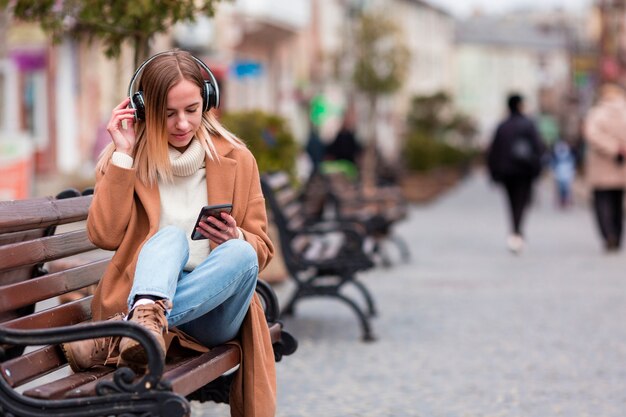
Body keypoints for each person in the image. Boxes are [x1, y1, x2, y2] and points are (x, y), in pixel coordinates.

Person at [61, 50, 276, 415]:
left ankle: (125, 332)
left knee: (240, 254)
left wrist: (235, 237)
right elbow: (104, 235)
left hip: (213, 314)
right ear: (143, 109)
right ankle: (146, 321)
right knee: (170, 238)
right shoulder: (126, 160)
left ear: (208, 102)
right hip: (148, 296)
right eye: (168, 113)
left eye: (191, 110)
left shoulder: (237, 159)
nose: (181, 124)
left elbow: (262, 249)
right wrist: (123, 156)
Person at [487, 93, 545, 254]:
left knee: (512, 202)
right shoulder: (528, 124)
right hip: (524, 171)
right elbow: (538, 147)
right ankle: (517, 232)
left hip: (506, 172)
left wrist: (493, 173)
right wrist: (538, 168)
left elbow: (493, 152)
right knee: (522, 201)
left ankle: (515, 231)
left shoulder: (502, 126)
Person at [583, 83, 626, 252]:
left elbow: (592, 134)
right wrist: (620, 148)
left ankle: (608, 235)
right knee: (617, 202)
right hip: (621, 166)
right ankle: (617, 235)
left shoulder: (597, 113)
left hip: (602, 166)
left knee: (602, 202)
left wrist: (612, 148)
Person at [550, 139, 577, 208]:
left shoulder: (568, 154)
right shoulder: (558, 154)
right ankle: (562, 200)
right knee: (561, 188)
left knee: (566, 188)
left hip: (566, 172)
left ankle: (565, 200)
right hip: (560, 172)